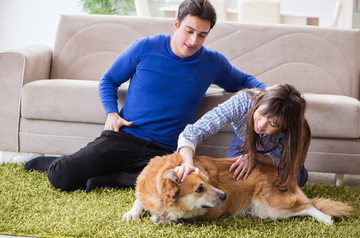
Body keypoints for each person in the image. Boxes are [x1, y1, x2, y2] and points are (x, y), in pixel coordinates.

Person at [24, 0, 268, 192]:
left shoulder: (212, 62)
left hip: (166, 150)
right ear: (176, 25)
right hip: (126, 137)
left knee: (180, 187)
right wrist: (111, 112)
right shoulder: (145, 47)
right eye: (189, 31)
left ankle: (111, 178)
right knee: (60, 178)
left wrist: (273, 97)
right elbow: (108, 80)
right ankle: (57, 162)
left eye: (202, 35)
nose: (194, 41)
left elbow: (248, 82)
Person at [175, 84, 310, 192]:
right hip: (246, 140)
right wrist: (187, 163)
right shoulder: (242, 102)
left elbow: (282, 158)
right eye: (262, 113)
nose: (261, 124)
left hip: (280, 155)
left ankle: (301, 175)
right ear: (259, 103)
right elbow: (194, 132)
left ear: (285, 126)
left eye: (273, 124)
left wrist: (254, 158)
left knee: (283, 188)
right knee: (232, 178)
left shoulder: (297, 129)